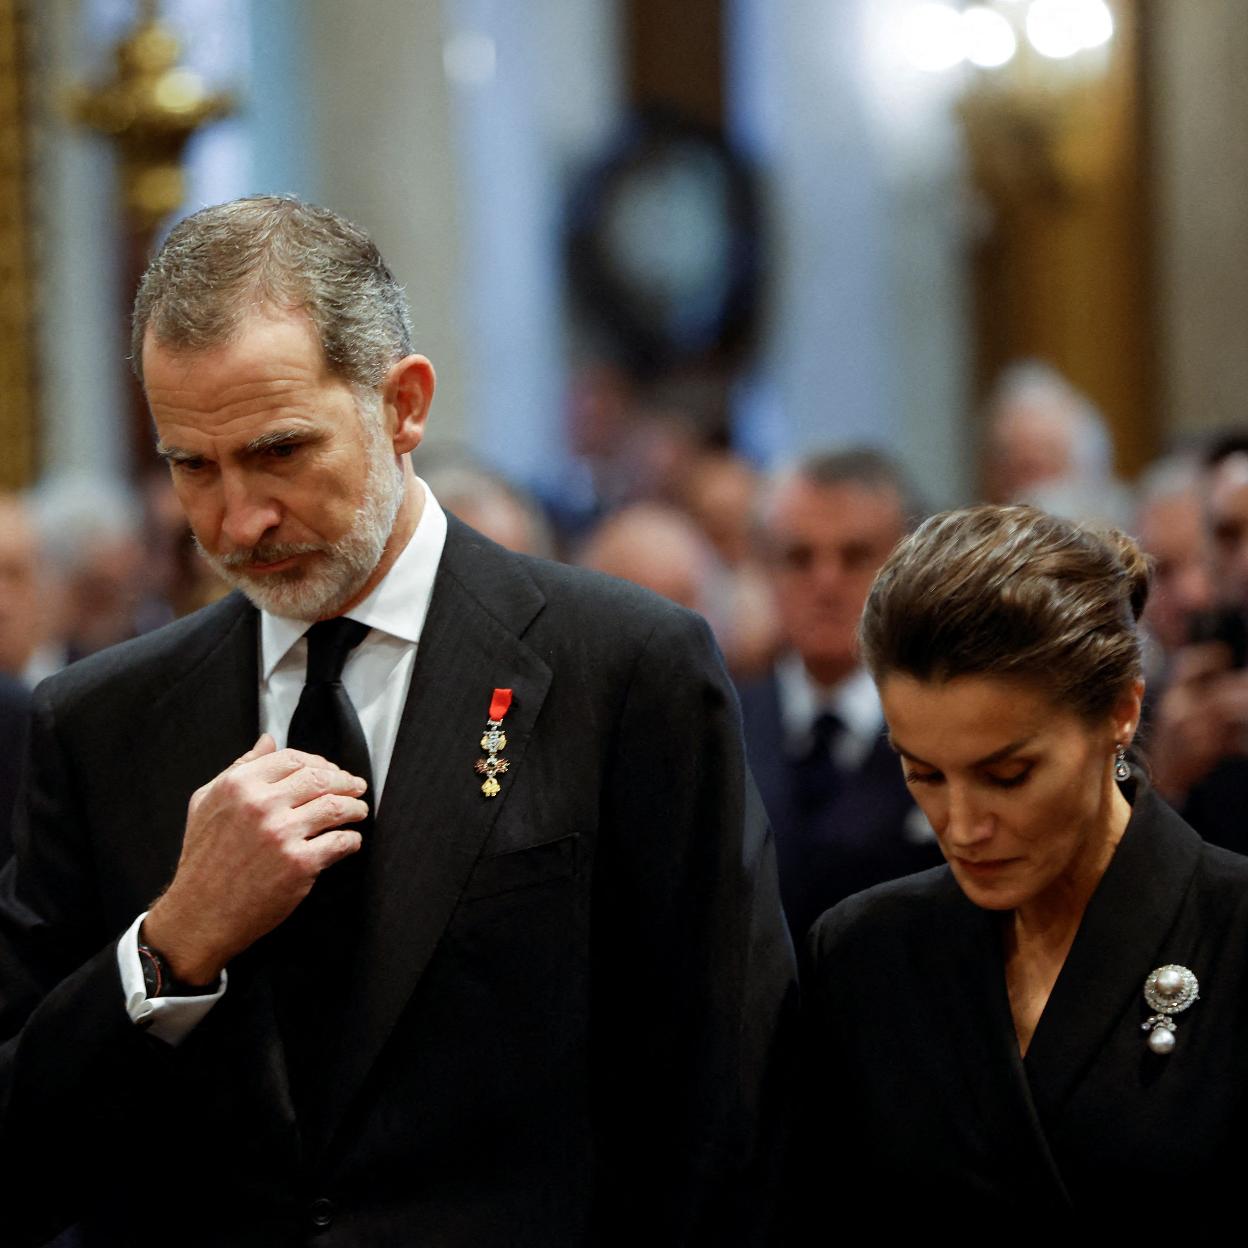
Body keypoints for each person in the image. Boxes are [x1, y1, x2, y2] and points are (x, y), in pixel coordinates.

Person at [0, 196, 795, 1247]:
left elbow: (728, 1100)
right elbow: (22, 1141)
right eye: (194, 466)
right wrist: (169, 947)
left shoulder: (624, 670)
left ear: (403, 405)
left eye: (280, 451)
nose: (238, 521)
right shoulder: (97, 722)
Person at [796, 504, 1248, 1218]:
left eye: (1009, 776)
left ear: (1120, 712)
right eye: (925, 775)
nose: (964, 826)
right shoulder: (862, 953)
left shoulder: (1233, 931)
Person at [738, 450, 940, 950]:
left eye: (854, 557)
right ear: (765, 568)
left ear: (905, 567)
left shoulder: (948, 728)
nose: (825, 583)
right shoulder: (722, 720)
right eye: (799, 558)